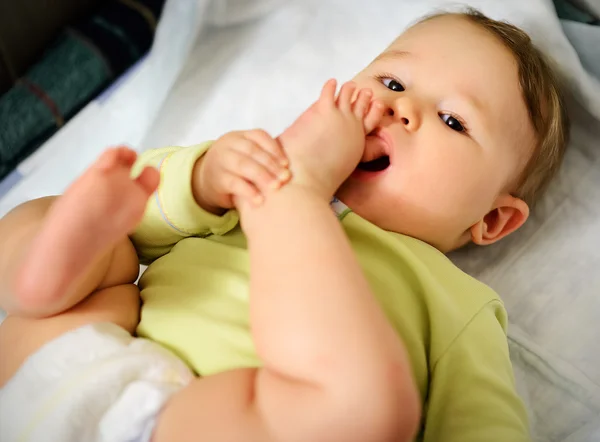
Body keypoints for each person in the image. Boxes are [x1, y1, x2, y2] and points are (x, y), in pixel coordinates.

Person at [0, 8, 568, 442]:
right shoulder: (248, 168)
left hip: (209, 422)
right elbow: (137, 213)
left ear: (492, 219)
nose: (401, 109)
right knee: (91, 233)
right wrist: (199, 179)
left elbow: (484, 427)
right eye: (392, 83)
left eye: (452, 119)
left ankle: (290, 204)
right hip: (67, 368)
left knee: (367, 409)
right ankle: (42, 273)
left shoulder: (458, 304)